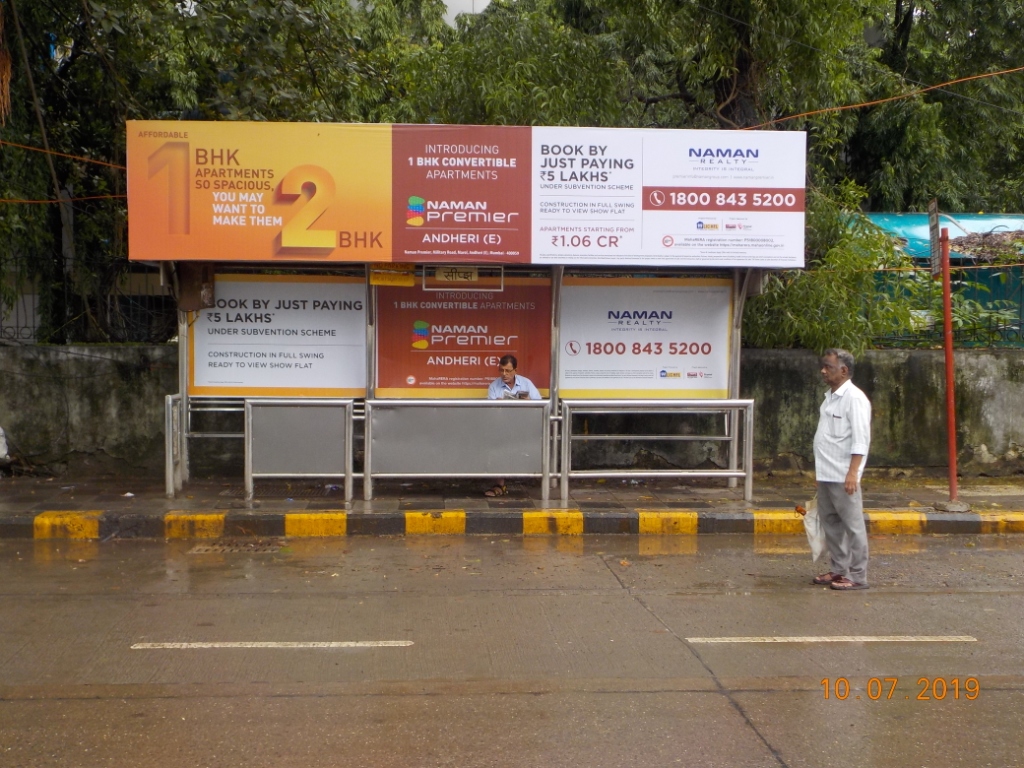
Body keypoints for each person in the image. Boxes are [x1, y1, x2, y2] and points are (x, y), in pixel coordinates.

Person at [811, 348, 872, 591]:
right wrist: (818, 475)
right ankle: (839, 569)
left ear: (844, 371)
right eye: (823, 366)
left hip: (843, 475)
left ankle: (858, 576)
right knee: (831, 525)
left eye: (829, 367)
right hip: (826, 473)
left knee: (853, 527)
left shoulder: (854, 398)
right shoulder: (831, 396)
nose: (823, 371)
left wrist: (852, 474)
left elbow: (860, 439)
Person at [484, 355, 541, 497]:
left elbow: (542, 405)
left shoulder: (526, 384)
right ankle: (499, 484)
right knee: (497, 445)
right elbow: (488, 413)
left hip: (525, 426)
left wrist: (529, 402)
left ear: (515, 370)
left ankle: (538, 479)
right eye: (501, 370)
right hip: (503, 427)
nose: (504, 374)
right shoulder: (494, 386)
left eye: (508, 371)